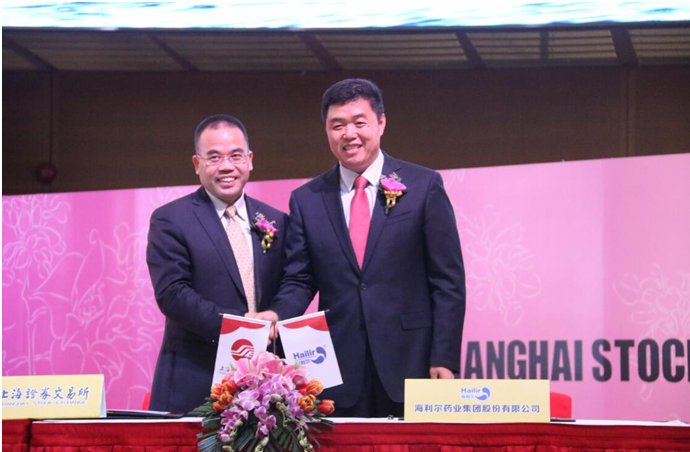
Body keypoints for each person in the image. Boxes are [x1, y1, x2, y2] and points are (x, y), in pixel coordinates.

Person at [253, 79, 465, 417]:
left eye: (359, 122)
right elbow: (300, 279)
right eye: (337, 125)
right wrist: (277, 314)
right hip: (336, 367)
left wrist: (445, 356)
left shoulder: (423, 186)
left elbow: (448, 281)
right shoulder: (307, 199)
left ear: (381, 123)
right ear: (327, 131)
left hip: (413, 362)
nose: (348, 134)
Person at [146, 114, 288, 413]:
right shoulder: (171, 219)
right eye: (214, 157)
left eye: (236, 156)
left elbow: (295, 281)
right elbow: (172, 294)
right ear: (197, 164)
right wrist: (242, 325)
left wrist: (277, 314)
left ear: (249, 160)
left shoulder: (277, 221)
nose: (226, 166)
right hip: (195, 378)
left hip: (267, 382)